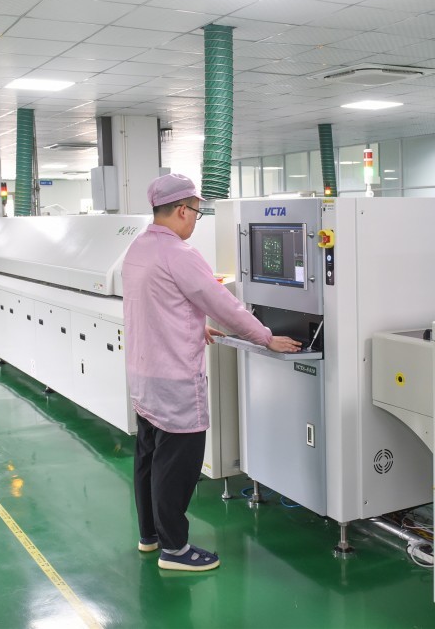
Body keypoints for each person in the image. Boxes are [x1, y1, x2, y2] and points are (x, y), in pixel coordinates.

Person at [122, 173, 301, 571]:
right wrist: (265, 337)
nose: (194, 221)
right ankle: (175, 550)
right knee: (177, 466)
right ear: (182, 210)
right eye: (196, 213)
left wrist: (193, 325)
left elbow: (154, 303)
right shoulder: (179, 254)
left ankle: (150, 536)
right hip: (174, 379)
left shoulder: (138, 248)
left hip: (144, 375)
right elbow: (222, 303)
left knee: (149, 457)